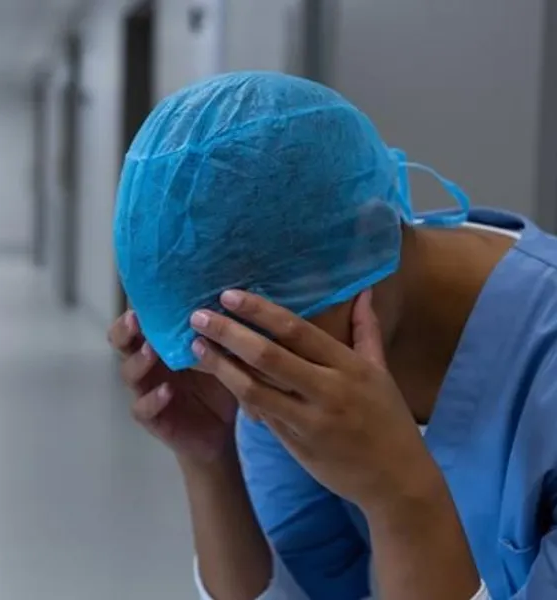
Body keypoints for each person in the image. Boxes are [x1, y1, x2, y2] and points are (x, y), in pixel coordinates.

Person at [108, 72, 557, 600]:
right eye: (215, 352)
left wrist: (401, 497)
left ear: (365, 239)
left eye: (250, 339)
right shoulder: (288, 355)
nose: (248, 385)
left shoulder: (298, 359)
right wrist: (209, 461)